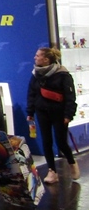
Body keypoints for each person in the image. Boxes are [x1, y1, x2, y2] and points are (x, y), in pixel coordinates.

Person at [26, 46, 79, 183]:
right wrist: (30, 112)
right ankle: (52, 171)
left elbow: (70, 96)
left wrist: (69, 114)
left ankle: (72, 163)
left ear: (46, 59)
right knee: (46, 141)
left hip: (59, 113)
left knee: (61, 142)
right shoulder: (35, 74)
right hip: (42, 112)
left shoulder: (63, 75)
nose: (35, 57)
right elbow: (32, 94)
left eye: (38, 55)